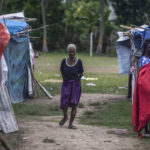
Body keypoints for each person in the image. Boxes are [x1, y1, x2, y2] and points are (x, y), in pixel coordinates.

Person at [59, 43, 84, 129]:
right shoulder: (64, 61)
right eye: (70, 52)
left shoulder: (79, 61)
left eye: (73, 52)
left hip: (75, 85)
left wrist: (77, 81)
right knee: (64, 103)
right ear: (68, 52)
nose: (71, 53)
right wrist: (65, 80)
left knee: (74, 104)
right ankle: (65, 117)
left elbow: (81, 72)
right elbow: (62, 71)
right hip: (66, 84)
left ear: (75, 52)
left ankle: (70, 124)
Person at [132, 39, 150, 138]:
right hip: (145, 89)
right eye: (148, 47)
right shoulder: (143, 60)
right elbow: (141, 75)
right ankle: (146, 130)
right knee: (145, 109)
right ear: (145, 48)